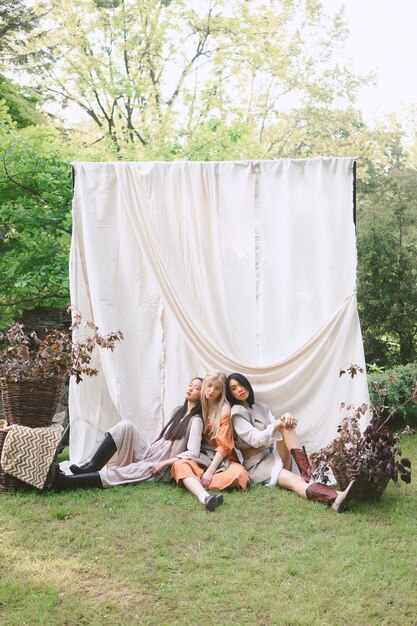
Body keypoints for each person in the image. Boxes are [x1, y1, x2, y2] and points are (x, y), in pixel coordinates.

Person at [226, 373, 359, 512]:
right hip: (258, 464)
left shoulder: (261, 406)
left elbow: (278, 428)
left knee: (286, 425)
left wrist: (286, 418)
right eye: (234, 388)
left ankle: (309, 478)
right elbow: (256, 440)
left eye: (241, 384)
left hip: (272, 455)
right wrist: (277, 424)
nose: (240, 389)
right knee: (296, 481)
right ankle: (336, 498)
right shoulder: (237, 413)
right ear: (231, 394)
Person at [53, 377, 205, 492]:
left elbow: (193, 452)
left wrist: (163, 464)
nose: (190, 388)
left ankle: (66, 482)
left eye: (196, 388)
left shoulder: (196, 421)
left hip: (158, 465)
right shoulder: (178, 411)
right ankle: (92, 466)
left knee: (119, 473)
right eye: (190, 385)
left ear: (202, 394)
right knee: (126, 425)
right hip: (151, 452)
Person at [171, 370, 249, 511]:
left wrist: (210, 472)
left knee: (239, 475)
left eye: (217, 388)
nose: (212, 391)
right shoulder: (200, 404)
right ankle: (205, 497)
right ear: (204, 385)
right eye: (209, 386)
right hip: (202, 456)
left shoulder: (224, 408)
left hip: (222, 457)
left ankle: (194, 481)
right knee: (179, 465)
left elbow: (224, 446)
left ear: (222, 391)